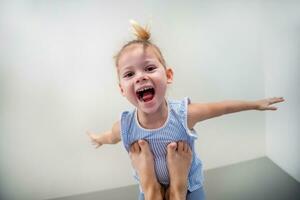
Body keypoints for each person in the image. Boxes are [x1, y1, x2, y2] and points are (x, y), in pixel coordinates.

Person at [87, 20, 284, 200]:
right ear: (122, 89)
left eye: (149, 69)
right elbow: (110, 136)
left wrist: (255, 104)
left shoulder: (183, 114)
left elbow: (222, 107)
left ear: (168, 75)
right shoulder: (126, 126)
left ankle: (176, 190)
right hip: (148, 189)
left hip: (189, 187)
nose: (140, 77)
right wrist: (98, 139)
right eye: (129, 74)